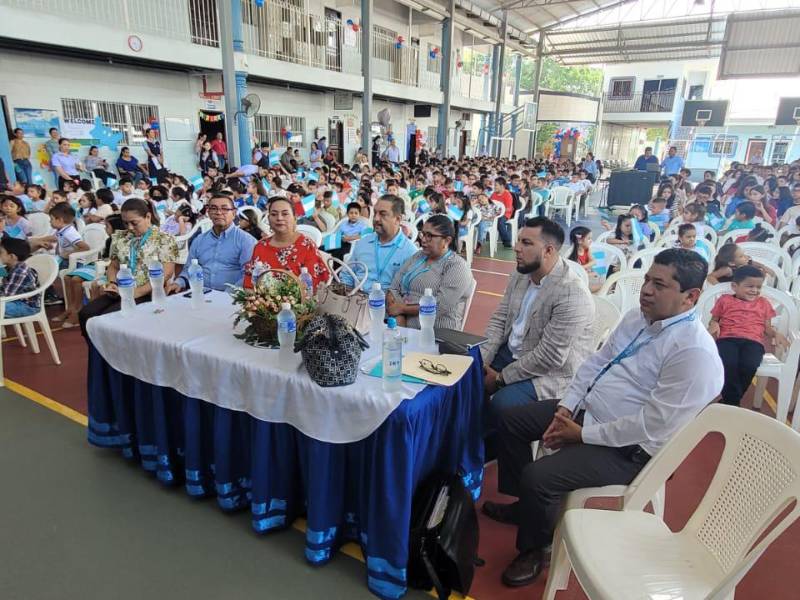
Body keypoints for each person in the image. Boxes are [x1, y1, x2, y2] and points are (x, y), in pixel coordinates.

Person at [483, 249, 722, 588]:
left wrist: (581, 434)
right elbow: (596, 363)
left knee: (540, 476)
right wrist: (566, 406)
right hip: (586, 413)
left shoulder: (693, 353)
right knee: (509, 418)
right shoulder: (639, 318)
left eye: (659, 285)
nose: (646, 291)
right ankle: (527, 507)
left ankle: (536, 548)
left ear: (691, 296)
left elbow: (650, 425)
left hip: (630, 449)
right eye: (646, 281)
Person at [481, 216, 594, 424]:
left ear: (548, 250)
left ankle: (498, 451)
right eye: (518, 240)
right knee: (465, 379)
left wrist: (499, 379)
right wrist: (482, 360)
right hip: (513, 353)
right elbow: (500, 320)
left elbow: (549, 358)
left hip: (551, 373)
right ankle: (469, 445)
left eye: (526, 243)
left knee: (504, 404)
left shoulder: (571, 294)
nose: (516, 248)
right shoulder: (521, 274)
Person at [79, 198, 178, 337]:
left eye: (134, 223)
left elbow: (166, 273)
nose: (130, 227)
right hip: (120, 290)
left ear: (148, 217)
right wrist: (112, 283)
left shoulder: (164, 239)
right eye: (126, 223)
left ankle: (113, 356)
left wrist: (136, 292)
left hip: (147, 292)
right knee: (86, 314)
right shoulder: (120, 238)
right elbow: (113, 266)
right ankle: (97, 354)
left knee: (109, 318)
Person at [709, 264, 787, 407]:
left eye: (758, 287)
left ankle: (730, 401)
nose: (755, 290)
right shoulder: (725, 300)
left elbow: (767, 328)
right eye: (750, 286)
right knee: (728, 363)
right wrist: (713, 324)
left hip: (754, 342)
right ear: (734, 286)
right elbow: (714, 319)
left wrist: (776, 333)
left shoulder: (764, 303)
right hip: (727, 339)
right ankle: (733, 401)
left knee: (749, 365)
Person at [386, 214, 473, 329]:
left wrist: (402, 309)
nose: (423, 239)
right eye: (423, 234)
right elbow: (394, 286)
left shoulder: (457, 266)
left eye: (430, 236)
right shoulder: (418, 256)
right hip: (401, 323)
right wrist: (400, 317)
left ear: (446, 240)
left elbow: (439, 306)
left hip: (435, 332)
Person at [165, 194, 257, 293]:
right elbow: (189, 269)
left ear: (234, 213)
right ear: (208, 213)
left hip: (232, 298)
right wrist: (178, 283)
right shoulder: (199, 240)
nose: (218, 212)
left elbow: (249, 275)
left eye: (224, 209)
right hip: (200, 295)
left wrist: (228, 293)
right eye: (214, 208)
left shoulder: (246, 241)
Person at [243, 196, 330, 289]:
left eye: (285, 214)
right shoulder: (260, 246)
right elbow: (249, 285)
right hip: (261, 301)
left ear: (295, 218)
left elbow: (315, 287)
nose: (279, 218)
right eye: (274, 214)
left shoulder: (306, 245)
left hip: (299, 302)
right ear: (268, 219)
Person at [341, 194, 417, 291]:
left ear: (397, 219)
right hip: (356, 300)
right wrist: (347, 297)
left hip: (387, 304)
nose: (376, 218)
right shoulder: (363, 242)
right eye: (375, 213)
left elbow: (409, 292)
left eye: (383, 214)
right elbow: (347, 274)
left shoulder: (410, 252)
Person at [0, 237, 40, 318]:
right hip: (15, 301)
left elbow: (6, 295)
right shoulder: (9, 267)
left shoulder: (19, 272)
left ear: (11, 256)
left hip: (27, 306)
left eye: (0, 252)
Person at [491, 177, 515, 248]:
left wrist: (499, 212)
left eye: (496, 185)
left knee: (500, 221)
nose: (494, 187)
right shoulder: (494, 194)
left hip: (506, 214)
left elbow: (508, 208)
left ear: (502, 186)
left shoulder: (507, 195)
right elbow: (490, 204)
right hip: (495, 213)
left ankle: (507, 241)